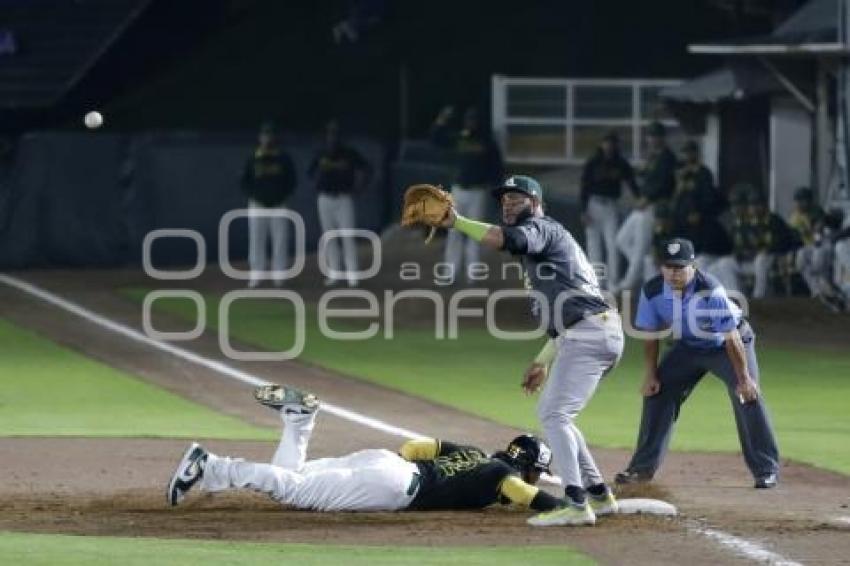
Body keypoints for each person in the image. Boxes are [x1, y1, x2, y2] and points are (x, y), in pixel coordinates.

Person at [437, 174, 624, 526]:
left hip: (589, 332)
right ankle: (598, 495)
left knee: (554, 415)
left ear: (535, 203)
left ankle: (576, 503)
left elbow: (503, 239)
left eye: (517, 198)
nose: (508, 203)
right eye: (504, 198)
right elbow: (569, 311)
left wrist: (457, 222)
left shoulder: (541, 228)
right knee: (560, 415)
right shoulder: (550, 245)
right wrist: (543, 360)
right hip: (588, 331)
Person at [166, 385, 605, 525]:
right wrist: (568, 503)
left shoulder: (474, 453)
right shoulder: (502, 475)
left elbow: (420, 446)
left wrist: (391, 465)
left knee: (294, 475)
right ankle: (213, 467)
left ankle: (299, 421)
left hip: (391, 464)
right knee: (296, 492)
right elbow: (522, 494)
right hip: (394, 486)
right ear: (528, 464)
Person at [615, 238, 780, 489]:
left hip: (728, 346)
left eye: (680, 267)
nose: (674, 273)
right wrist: (650, 375)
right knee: (657, 392)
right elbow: (650, 335)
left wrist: (745, 379)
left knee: (748, 396)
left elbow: (731, 337)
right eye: (668, 266)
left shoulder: (710, 290)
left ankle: (766, 470)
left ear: (693, 266)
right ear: (661, 267)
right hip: (688, 347)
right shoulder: (652, 290)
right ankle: (641, 469)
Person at [430, 107, 503, 284]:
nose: (471, 123)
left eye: (474, 120)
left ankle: (473, 275)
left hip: (478, 191)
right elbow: (436, 139)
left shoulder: (487, 142)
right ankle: (450, 272)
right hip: (458, 191)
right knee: (454, 233)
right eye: (469, 120)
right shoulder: (459, 138)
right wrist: (441, 120)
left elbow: (497, 169)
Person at [615, 122, 677, 295]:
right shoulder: (653, 156)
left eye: (656, 136)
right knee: (622, 240)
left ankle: (628, 284)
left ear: (662, 138)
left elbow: (664, 184)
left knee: (641, 248)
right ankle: (644, 273)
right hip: (643, 204)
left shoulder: (667, 157)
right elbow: (646, 176)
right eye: (650, 136)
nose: (652, 139)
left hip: (656, 207)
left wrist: (648, 198)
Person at [308, 120, 371, 287]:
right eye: (329, 134)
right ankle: (334, 273)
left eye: (334, 134)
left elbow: (366, 168)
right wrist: (318, 184)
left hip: (344, 198)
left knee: (347, 236)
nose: (332, 137)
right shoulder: (320, 153)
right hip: (325, 198)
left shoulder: (348, 153)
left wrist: (359, 187)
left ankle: (352, 274)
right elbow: (310, 172)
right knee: (330, 237)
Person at [240, 121, 297, 288]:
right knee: (256, 239)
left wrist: (283, 196)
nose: (267, 138)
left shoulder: (283, 157)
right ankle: (256, 274)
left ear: (274, 137)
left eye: (270, 134)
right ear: (260, 137)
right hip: (258, 205)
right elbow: (244, 182)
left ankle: (279, 274)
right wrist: (254, 196)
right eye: (265, 135)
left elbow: (292, 180)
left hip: (279, 204)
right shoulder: (253, 157)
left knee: (280, 239)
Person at [580, 131, 639, 290]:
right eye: (606, 142)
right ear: (601, 144)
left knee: (612, 245)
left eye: (612, 142)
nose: (609, 145)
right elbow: (584, 186)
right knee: (594, 247)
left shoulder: (621, 163)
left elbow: (632, 183)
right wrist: (583, 210)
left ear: (616, 145)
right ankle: (597, 282)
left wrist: (639, 198)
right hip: (593, 204)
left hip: (611, 205)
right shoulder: (593, 162)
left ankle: (613, 282)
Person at [711, 191, 797, 298]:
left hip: (773, 260)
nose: (755, 208)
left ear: (765, 205)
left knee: (761, 259)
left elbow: (785, 242)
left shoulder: (774, 221)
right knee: (725, 263)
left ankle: (758, 297)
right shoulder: (745, 224)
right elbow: (739, 246)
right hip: (750, 261)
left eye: (758, 204)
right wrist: (740, 253)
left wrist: (767, 250)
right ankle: (738, 296)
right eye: (752, 205)